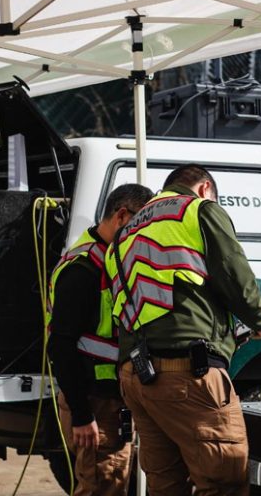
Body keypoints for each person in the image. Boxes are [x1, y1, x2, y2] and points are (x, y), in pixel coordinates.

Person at [105, 164, 261, 496]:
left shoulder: (125, 233)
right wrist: (260, 320)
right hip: (187, 376)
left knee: (166, 487)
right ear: (203, 188)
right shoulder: (197, 210)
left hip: (136, 377)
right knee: (222, 482)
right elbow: (234, 273)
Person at [48, 183, 154, 496]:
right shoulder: (83, 270)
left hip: (107, 401)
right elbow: (61, 345)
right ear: (122, 216)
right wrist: (82, 415)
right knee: (100, 487)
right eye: (141, 225)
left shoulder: (107, 258)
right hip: (94, 404)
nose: (144, 236)